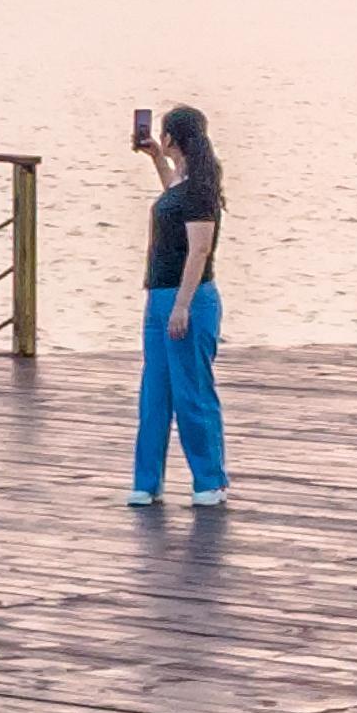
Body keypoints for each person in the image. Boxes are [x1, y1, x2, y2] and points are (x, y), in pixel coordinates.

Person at [126, 103, 226, 507]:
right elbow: (173, 198)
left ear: (173, 138)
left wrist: (182, 306)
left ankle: (210, 481)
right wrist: (155, 160)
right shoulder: (184, 184)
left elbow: (199, 250)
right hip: (160, 296)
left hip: (190, 298)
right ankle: (147, 481)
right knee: (154, 392)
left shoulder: (201, 189)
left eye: (163, 136)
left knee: (192, 391)